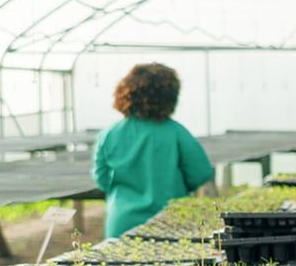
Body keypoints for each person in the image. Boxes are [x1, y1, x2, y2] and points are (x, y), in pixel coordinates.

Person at [91, 63, 216, 238]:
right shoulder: (176, 132)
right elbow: (200, 173)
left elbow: (102, 179)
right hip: (171, 220)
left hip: (122, 221)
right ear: (169, 97)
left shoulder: (109, 134)